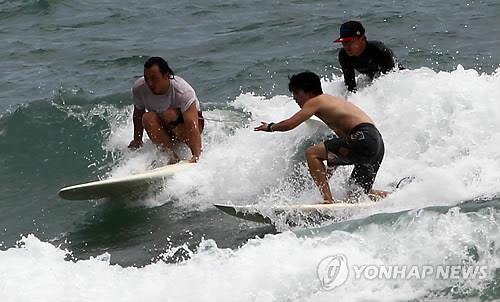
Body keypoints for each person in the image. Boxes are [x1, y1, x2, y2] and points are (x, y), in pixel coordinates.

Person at [254, 71, 388, 203]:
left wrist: (270, 127)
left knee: (312, 153)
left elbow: (290, 124)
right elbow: (344, 145)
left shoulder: (316, 101)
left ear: (309, 91)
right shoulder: (330, 102)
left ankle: (328, 200)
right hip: (376, 142)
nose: (294, 98)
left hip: (363, 136)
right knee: (356, 195)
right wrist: (330, 168)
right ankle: (394, 198)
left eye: (296, 92)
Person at [128, 57, 204, 163]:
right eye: (146, 78)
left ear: (166, 75)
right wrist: (137, 140)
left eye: (154, 78)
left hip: (188, 125)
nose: (149, 83)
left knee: (169, 114)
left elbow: (192, 125)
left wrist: (196, 156)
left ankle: (194, 154)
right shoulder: (139, 88)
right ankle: (172, 158)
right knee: (147, 118)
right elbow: (138, 114)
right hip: (165, 127)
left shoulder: (182, 91)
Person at [335, 20, 402, 92]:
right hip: (371, 78)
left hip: (399, 77)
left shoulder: (379, 50)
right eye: (343, 43)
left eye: (349, 42)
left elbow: (391, 78)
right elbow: (350, 85)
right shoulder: (344, 55)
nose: (346, 47)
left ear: (362, 39)